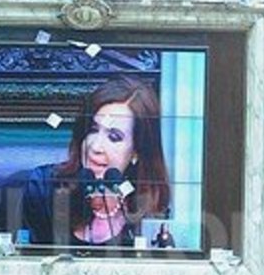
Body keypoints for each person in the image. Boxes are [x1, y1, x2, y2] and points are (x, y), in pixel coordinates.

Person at [20, 77, 172, 247]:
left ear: (136, 151)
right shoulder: (44, 186)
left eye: (114, 137)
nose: (95, 146)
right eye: (93, 130)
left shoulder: (151, 208)